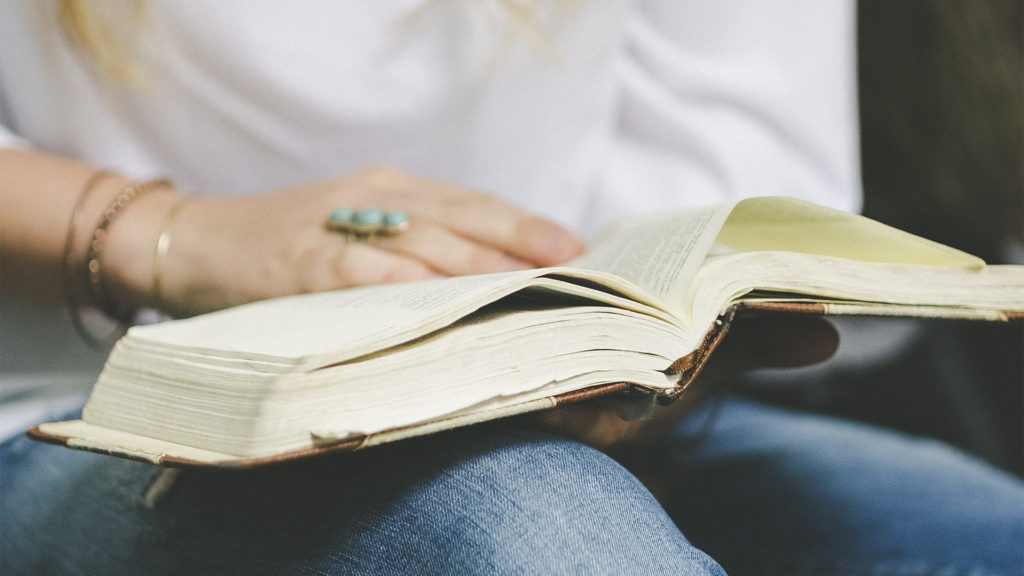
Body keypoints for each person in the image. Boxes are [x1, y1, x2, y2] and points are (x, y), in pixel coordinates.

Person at [1, 2, 1021, 575]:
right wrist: (169, 234)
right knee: (540, 538)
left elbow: (738, 159)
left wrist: (635, 345)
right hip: (82, 410)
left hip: (537, 405)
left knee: (979, 534)